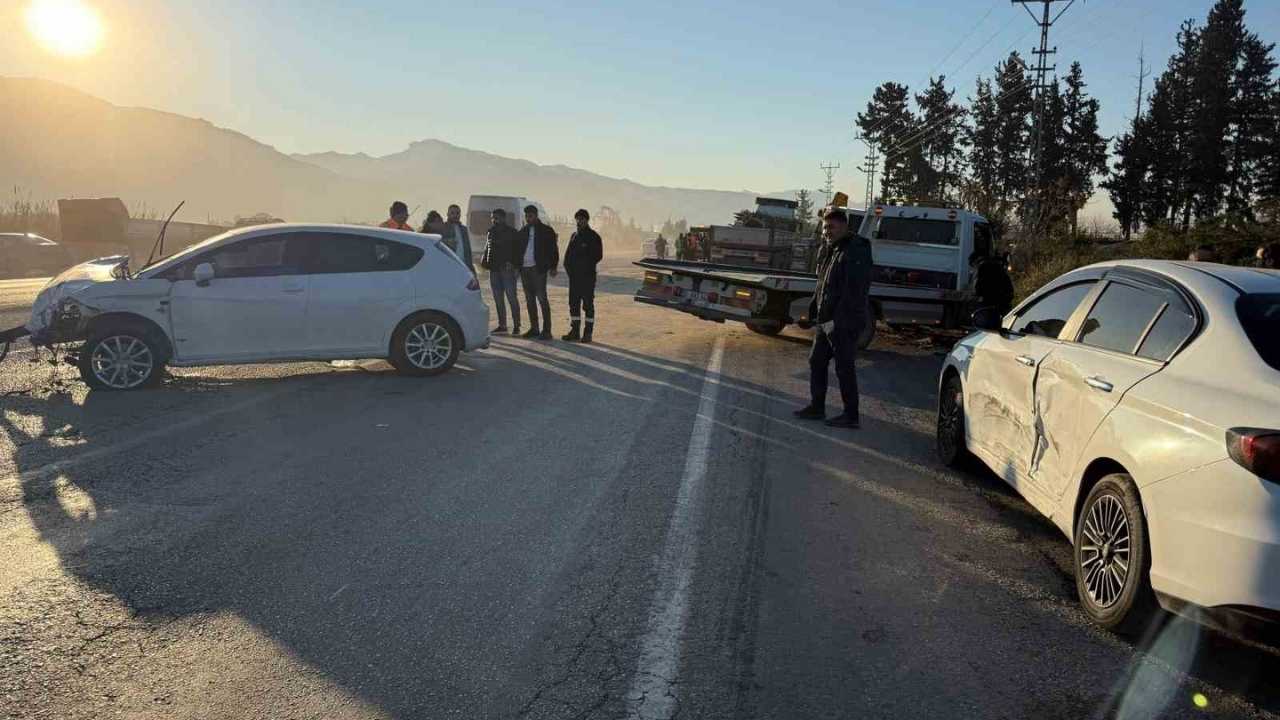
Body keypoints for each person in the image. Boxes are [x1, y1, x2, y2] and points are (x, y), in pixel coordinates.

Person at [794, 209, 872, 428]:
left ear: (844, 226)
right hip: (826, 320)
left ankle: (851, 416)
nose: (827, 231)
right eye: (825, 227)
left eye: (832, 227)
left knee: (844, 367)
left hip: (843, 322)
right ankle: (817, 408)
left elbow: (854, 291)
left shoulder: (856, 250)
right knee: (816, 360)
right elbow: (823, 284)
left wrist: (838, 321)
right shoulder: (833, 249)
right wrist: (814, 310)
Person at [515, 204, 559, 339]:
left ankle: (547, 331)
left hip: (538, 269)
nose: (528, 219)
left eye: (530, 216)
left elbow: (553, 250)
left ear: (536, 215)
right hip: (525, 270)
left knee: (542, 299)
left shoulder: (547, 231)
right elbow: (517, 251)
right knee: (529, 300)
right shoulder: (522, 231)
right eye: (527, 216)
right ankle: (534, 328)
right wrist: (518, 267)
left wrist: (553, 267)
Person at [562, 209, 604, 342]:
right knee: (573, 304)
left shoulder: (594, 237)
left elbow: (598, 256)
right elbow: (567, 257)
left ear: (587, 220)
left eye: (581, 219)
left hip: (587, 278)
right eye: (577, 219)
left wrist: (584, 266)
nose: (579, 222)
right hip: (574, 279)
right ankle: (574, 332)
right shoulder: (574, 236)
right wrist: (570, 271)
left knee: (588, 305)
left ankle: (588, 333)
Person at [481, 208, 521, 334]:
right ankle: (502, 325)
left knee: (511, 298)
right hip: (494, 270)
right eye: (493, 218)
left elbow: (517, 252)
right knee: (498, 299)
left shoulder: (512, 232)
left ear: (504, 218)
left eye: (496, 218)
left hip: (507, 270)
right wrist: (485, 263)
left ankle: (516, 325)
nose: (494, 220)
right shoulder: (490, 231)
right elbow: (488, 248)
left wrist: (515, 266)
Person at [971, 250, 1014, 316]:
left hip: (988, 305)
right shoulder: (999, 266)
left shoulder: (981, 268)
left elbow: (977, 289)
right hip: (1003, 304)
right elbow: (1009, 289)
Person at [443, 204, 474, 273]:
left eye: (457, 213)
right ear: (447, 214)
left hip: (463, 266)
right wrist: (447, 241)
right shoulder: (443, 228)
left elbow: (467, 250)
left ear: (460, 215)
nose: (455, 215)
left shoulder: (464, 229)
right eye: (452, 213)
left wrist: (471, 269)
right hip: (449, 266)